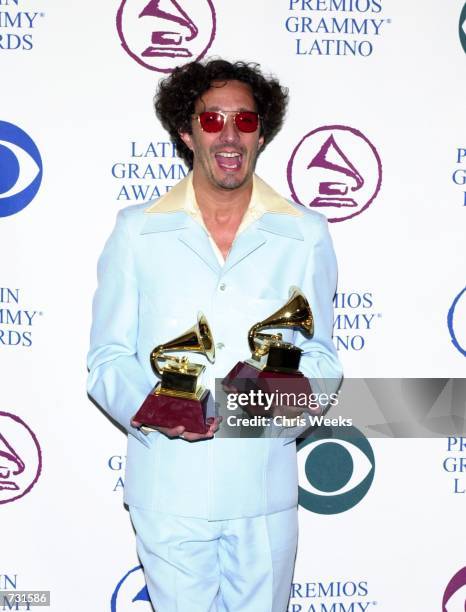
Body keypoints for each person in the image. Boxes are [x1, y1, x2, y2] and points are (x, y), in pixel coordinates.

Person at [87, 59, 342, 612]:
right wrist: (158, 407)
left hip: (264, 487)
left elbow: (322, 358)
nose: (229, 134)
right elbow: (106, 360)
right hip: (167, 489)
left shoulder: (304, 234)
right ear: (187, 131)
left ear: (262, 133)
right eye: (212, 120)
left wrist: (283, 404)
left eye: (245, 121)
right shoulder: (137, 231)